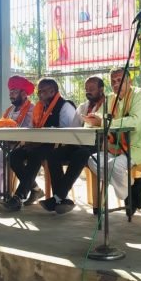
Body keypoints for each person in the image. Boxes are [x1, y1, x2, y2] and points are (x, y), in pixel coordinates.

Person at [4, 78, 77, 211]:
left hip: (56, 146)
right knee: (14, 156)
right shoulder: (40, 107)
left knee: (35, 156)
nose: (39, 95)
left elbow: (68, 134)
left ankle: (19, 196)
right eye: (38, 92)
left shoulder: (65, 106)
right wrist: (31, 141)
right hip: (37, 144)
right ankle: (35, 189)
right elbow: (34, 127)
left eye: (42, 91)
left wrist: (40, 142)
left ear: (52, 91)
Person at [86, 67, 141, 214]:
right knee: (93, 160)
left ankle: (127, 194)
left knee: (115, 165)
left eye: (119, 80)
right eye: (113, 81)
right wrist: (91, 120)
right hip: (116, 147)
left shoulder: (139, 95)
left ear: (130, 81)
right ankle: (132, 187)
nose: (116, 84)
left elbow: (134, 121)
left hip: (139, 146)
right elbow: (97, 117)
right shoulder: (111, 99)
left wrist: (103, 122)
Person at [39, 77, 105, 214]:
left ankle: (58, 197)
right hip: (78, 143)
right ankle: (61, 199)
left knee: (81, 154)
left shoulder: (108, 105)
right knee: (53, 155)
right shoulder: (82, 107)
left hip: (97, 145)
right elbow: (73, 128)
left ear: (101, 89)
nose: (88, 92)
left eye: (92, 89)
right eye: (86, 89)